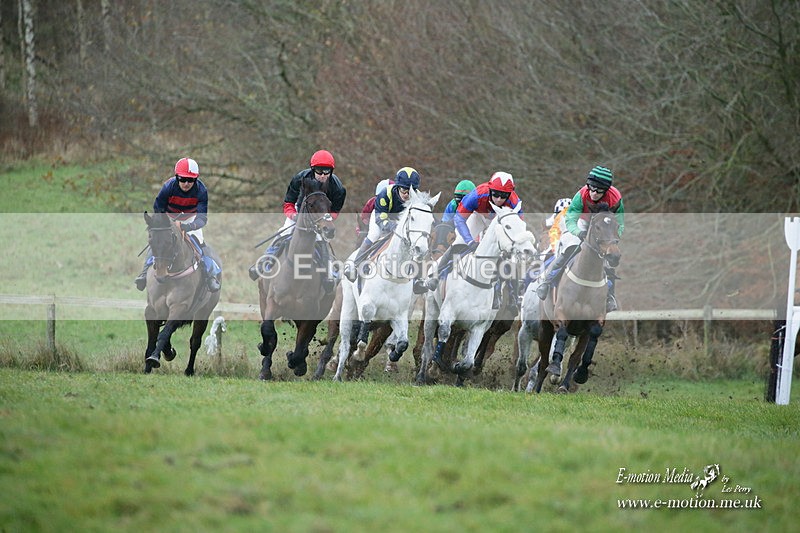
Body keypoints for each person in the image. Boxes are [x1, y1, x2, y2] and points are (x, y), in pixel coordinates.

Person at [249, 149, 346, 293]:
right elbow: (288, 202)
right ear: (313, 169)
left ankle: (330, 274)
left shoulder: (337, 187)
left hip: (320, 217)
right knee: (283, 233)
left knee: (322, 241)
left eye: (327, 171)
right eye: (319, 171)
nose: (323, 175)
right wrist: (293, 216)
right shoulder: (299, 178)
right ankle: (265, 262)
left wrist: (325, 219)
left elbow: (335, 210)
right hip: (299, 212)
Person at [536, 166, 625, 312]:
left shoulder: (615, 199)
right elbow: (570, 219)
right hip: (580, 221)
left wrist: (612, 239)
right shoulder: (582, 194)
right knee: (570, 248)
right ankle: (547, 281)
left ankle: (610, 296)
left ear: (606, 190)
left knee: (609, 259)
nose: (594, 193)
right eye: (592, 188)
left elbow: (620, 223)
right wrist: (579, 233)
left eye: (599, 191)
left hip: (603, 226)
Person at [134, 157, 222, 292]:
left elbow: (202, 218)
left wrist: (187, 227)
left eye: (190, 180)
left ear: (196, 179)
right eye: (182, 179)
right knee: (158, 242)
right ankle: (145, 272)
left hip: (190, 219)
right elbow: (158, 209)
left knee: (200, 243)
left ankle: (211, 275)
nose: (186, 183)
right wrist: (167, 224)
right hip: (169, 219)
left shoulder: (201, 190)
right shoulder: (168, 187)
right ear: (177, 177)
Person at [343, 167, 420, 282]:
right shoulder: (385, 194)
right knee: (373, 235)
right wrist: (394, 227)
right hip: (382, 217)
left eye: (410, 191)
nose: (407, 194)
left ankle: (418, 278)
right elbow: (381, 219)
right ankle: (355, 265)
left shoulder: (417, 198)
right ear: (397, 186)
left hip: (402, 222)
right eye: (404, 190)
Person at [356, 178, 392, 245]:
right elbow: (363, 218)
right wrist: (362, 230)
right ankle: (360, 255)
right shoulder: (372, 202)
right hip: (372, 229)